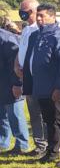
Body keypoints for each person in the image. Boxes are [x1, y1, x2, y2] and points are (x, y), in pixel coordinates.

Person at [24, 3, 60, 166]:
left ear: (53, 17)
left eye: (43, 16)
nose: (39, 19)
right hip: (40, 86)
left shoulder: (59, 36)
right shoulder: (36, 35)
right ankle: (52, 151)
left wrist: (59, 87)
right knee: (48, 120)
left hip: (55, 88)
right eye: (38, 15)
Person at [15, 0, 47, 156]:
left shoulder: (39, 30)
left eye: (26, 11)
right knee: (33, 112)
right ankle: (39, 144)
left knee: (41, 113)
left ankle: (45, 145)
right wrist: (17, 64)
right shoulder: (27, 29)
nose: (23, 14)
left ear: (35, 11)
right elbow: (22, 50)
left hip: (36, 77)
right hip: (25, 75)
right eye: (21, 11)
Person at [0, 22, 29, 155]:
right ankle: (3, 142)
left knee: (15, 114)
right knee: (2, 116)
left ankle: (21, 144)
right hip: (2, 83)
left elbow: (17, 64)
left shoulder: (7, 39)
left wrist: (17, 83)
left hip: (12, 83)